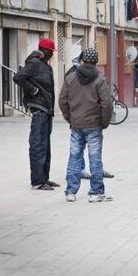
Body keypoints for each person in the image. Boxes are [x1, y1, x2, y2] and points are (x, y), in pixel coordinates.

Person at [59, 48, 113, 203]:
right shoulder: (100, 79)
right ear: (96, 62)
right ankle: (96, 192)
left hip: (76, 124)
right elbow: (106, 104)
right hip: (94, 125)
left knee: (74, 157)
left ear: (82, 60)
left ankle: (71, 192)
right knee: (95, 158)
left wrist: (70, 118)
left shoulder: (70, 78)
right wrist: (104, 122)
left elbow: (62, 101)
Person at [13, 38, 59, 191]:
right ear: (44, 50)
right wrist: (32, 90)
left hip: (46, 110)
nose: (52, 54)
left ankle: (44, 178)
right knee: (37, 145)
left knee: (45, 146)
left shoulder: (44, 64)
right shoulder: (34, 63)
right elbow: (18, 77)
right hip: (39, 109)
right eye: (51, 51)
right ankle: (37, 181)